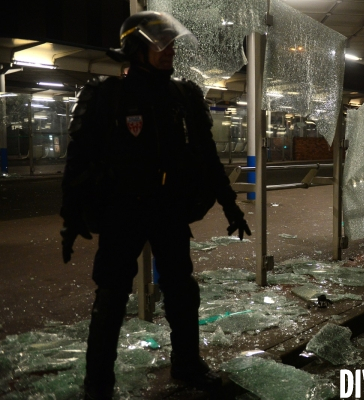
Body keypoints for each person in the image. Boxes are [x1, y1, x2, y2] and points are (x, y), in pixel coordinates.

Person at [59, 11, 251, 399]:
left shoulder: (184, 95)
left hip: (169, 212)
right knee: (112, 297)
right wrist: (70, 218)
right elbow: (78, 160)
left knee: (182, 291)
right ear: (135, 49)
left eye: (171, 43)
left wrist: (231, 205)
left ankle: (187, 365)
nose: (169, 51)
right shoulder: (105, 95)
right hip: (121, 213)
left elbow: (207, 156)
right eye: (160, 44)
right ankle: (97, 386)